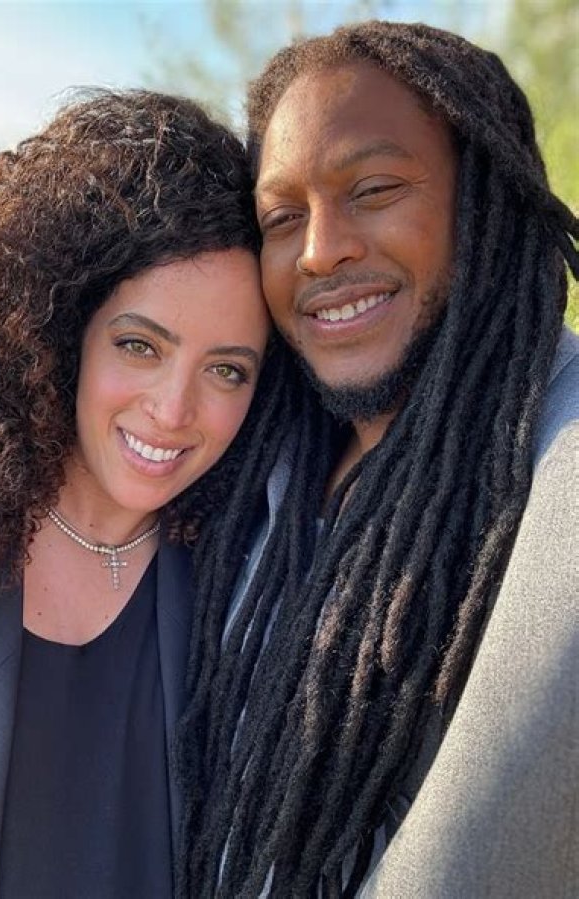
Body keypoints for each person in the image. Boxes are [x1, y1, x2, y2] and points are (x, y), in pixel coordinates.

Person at [177, 21, 578, 899]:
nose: (321, 249)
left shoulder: (562, 470)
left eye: (375, 188)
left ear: (487, 196)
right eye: (282, 218)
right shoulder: (241, 456)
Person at [0, 89, 272, 897]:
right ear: (58, 326)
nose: (173, 409)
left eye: (227, 369)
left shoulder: (245, 595)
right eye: (140, 345)